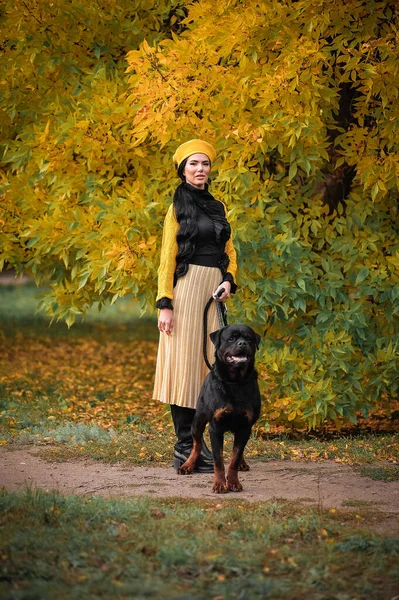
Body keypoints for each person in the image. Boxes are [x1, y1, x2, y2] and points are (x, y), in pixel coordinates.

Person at [152, 139, 238, 472]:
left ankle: (203, 448)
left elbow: (231, 252)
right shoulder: (176, 209)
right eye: (193, 164)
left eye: (205, 164)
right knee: (185, 367)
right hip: (186, 291)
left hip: (214, 292)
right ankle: (184, 448)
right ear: (183, 169)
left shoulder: (219, 207)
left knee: (209, 370)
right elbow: (166, 260)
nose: (200, 169)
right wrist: (165, 303)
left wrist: (229, 280)